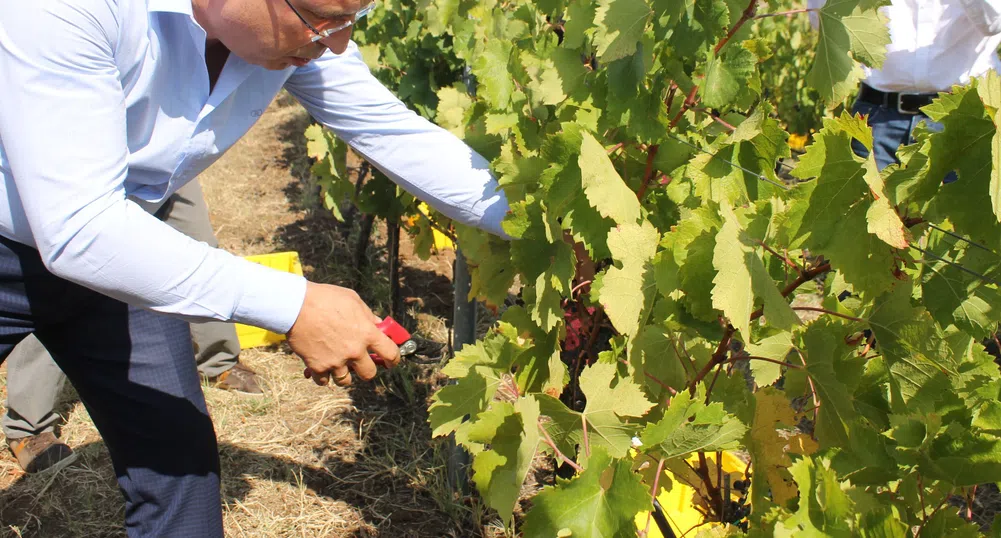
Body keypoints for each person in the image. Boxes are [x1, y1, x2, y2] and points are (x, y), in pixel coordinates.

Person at [0, 0, 508, 535]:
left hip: (131, 250)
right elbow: (81, 228)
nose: (337, 43)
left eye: (351, 20)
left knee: (179, 465)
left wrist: (548, 226)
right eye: (324, 20)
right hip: (33, 244)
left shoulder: (301, 35)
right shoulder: (71, 8)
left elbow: (392, 133)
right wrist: (295, 304)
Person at [3, 179, 260, 475]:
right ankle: (28, 425)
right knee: (60, 273)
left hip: (149, 145)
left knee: (193, 232)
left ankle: (218, 359)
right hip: (80, 156)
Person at [808, 0, 1001, 170]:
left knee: (957, 208)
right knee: (861, 207)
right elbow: (823, 20)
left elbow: (995, 21)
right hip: (877, 115)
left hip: (963, 116)